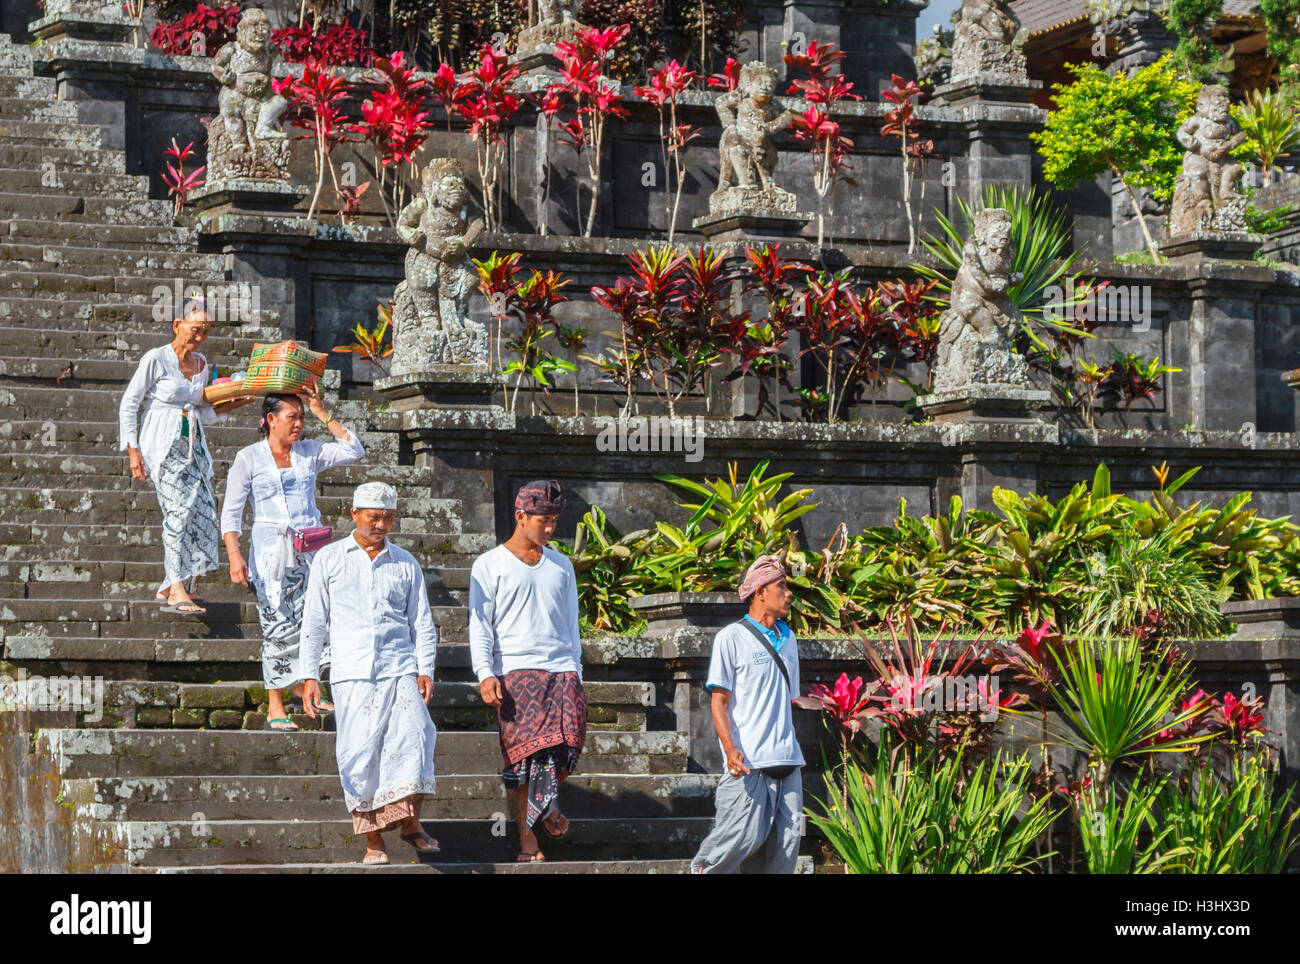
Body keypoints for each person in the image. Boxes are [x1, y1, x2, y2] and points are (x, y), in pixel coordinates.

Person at [299, 482, 440, 865]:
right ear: (354, 514)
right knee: (360, 754)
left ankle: (411, 824)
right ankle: (374, 842)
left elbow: (421, 623)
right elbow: (314, 621)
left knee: (418, 734)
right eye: (374, 517)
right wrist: (309, 675)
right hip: (351, 671)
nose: (381, 525)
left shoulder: (405, 562)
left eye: (388, 518)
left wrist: (424, 668)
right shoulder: (329, 559)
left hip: (399, 666)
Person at [220, 384, 365, 731]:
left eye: (301, 417)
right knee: (276, 624)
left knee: (317, 621)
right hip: (271, 555)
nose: (298, 423)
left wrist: (320, 411)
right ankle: (275, 705)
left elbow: (354, 450)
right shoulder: (249, 458)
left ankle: (308, 687)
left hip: (310, 553)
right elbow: (231, 513)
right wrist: (234, 556)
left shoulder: (309, 452)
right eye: (292, 417)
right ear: (271, 420)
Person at [469, 479, 585, 863]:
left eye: (553, 521)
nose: (549, 529)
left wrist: (577, 673)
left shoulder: (562, 565)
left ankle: (547, 801)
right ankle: (528, 841)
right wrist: (485, 671)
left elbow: (572, 625)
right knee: (523, 761)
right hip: (516, 673)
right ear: (520, 516)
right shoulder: (489, 564)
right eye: (542, 521)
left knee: (566, 751)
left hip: (562, 672)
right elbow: (480, 624)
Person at [118, 306, 254, 614]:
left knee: (202, 511)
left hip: (194, 447)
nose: (201, 336)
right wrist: (133, 449)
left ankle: (174, 583)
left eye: (206, 330)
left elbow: (204, 411)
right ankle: (176, 587)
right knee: (177, 512)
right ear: (178, 325)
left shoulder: (202, 364)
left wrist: (236, 403)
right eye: (196, 329)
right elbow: (130, 403)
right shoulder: (157, 358)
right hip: (163, 446)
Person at [690, 554, 805, 874]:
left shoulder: (789, 639)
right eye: (781, 586)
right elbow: (719, 701)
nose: (788, 592)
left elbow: (787, 699)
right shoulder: (732, 638)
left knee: (786, 847)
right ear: (759, 592)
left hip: (788, 759)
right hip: (749, 762)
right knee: (737, 840)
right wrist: (730, 750)